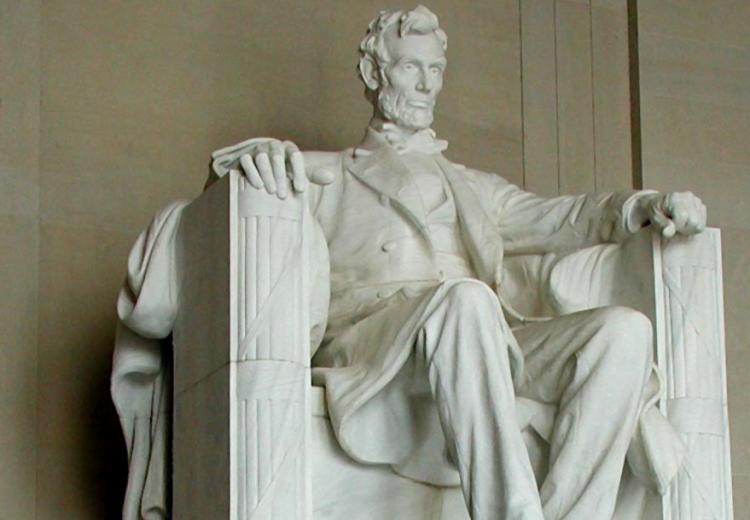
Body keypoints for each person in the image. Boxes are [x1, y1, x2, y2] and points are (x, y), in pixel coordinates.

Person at [115, 5, 705, 519]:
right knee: (466, 298)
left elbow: (564, 217)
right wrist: (258, 160)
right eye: (409, 68)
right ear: (375, 74)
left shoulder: (472, 187)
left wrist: (643, 207)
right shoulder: (323, 172)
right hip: (381, 344)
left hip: (486, 341)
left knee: (624, 333)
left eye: (435, 71)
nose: (425, 85)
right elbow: (219, 199)